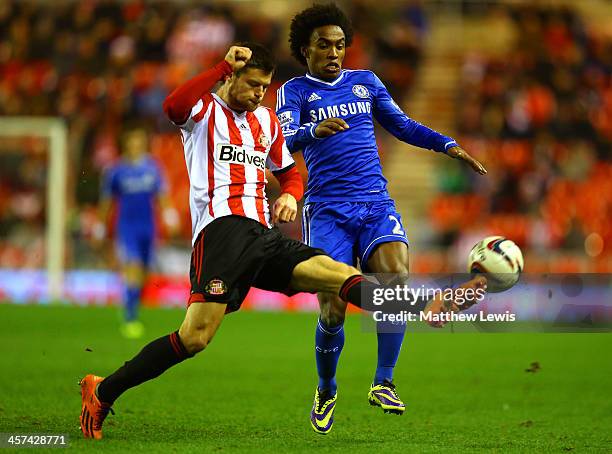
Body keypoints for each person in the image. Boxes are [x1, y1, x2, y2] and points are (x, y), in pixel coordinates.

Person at [80, 43, 388, 440]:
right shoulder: (204, 111)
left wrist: (291, 195)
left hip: (262, 234)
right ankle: (102, 391)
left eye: (266, 87)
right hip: (221, 230)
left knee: (339, 274)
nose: (260, 94)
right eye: (254, 85)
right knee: (194, 338)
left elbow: (289, 172)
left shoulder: (267, 122)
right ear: (231, 77)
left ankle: (411, 308)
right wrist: (220, 66)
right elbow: (173, 106)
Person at [276, 4, 487, 434]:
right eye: (324, 45)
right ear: (305, 49)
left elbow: (402, 124)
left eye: (340, 45)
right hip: (327, 209)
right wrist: (312, 132)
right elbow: (281, 142)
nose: (335, 53)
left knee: (395, 276)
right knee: (333, 308)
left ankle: (383, 380)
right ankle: (326, 386)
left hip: (375, 203)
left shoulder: (365, 82)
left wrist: (447, 145)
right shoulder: (294, 92)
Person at [96, 128, 179, 339]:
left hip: (148, 227)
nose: (136, 145)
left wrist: (169, 215)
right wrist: (100, 224)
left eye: (139, 141)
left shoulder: (152, 168)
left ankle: (131, 305)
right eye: (132, 141)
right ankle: (130, 318)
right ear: (126, 143)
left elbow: (162, 195)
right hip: (127, 227)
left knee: (144, 273)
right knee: (132, 268)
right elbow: (107, 201)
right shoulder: (116, 170)